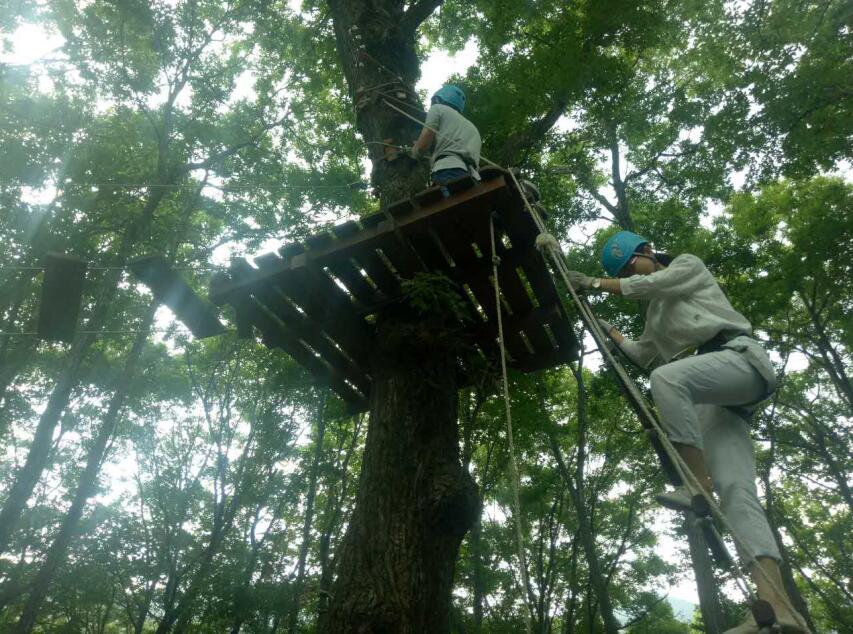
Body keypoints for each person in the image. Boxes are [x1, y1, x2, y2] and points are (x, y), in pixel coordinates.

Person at [565, 230, 810, 634]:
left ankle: (696, 485)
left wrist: (593, 282)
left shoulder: (685, 266)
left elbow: (649, 285)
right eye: (623, 271)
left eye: (630, 264)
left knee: (667, 379)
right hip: (714, 399)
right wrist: (603, 326)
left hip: (737, 358)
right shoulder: (657, 316)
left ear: (646, 252)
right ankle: (779, 607)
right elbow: (644, 354)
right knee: (737, 490)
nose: (630, 273)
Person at [410, 85, 481, 195]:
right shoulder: (473, 128)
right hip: (473, 177)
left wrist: (415, 151)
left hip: (448, 170)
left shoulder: (437, 108)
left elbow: (422, 147)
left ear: (437, 99)